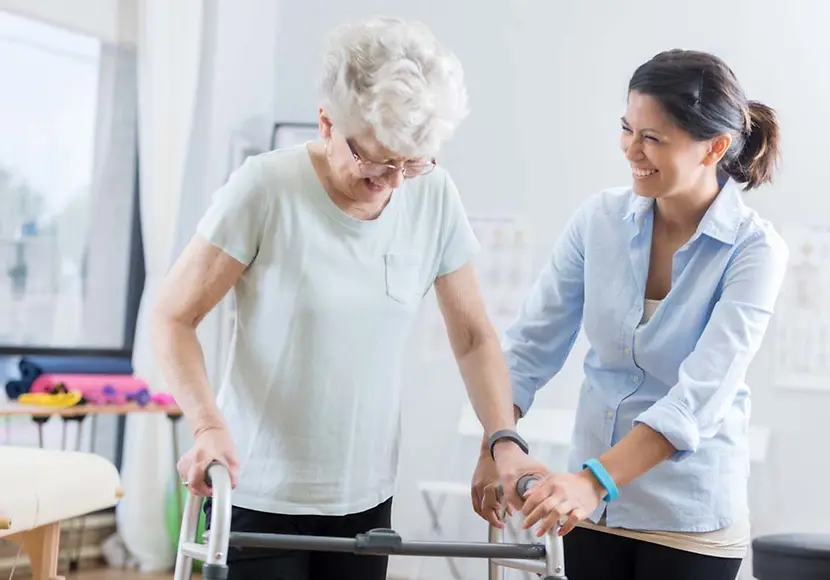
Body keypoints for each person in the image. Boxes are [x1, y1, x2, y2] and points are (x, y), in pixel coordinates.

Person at [151, 16, 546, 580]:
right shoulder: (265, 188)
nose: (394, 182)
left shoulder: (431, 193)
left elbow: (473, 335)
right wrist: (207, 426)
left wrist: (501, 438)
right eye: (378, 161)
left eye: (412, 163)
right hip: (260, 490)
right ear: (327, 123)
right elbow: (173, 315)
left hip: (365, 497)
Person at [471, 49, 789, 580]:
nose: (631, 150)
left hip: (687, 521)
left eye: (653, 138)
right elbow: (529, 348)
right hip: (591, 515)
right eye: (627, 129)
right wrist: (499, 441)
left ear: (715, 147)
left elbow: (696, 400)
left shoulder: (753, 250)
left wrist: (592, 480)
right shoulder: (599, 220)